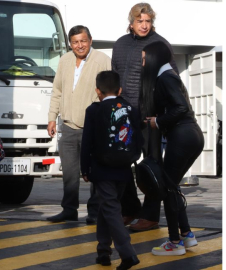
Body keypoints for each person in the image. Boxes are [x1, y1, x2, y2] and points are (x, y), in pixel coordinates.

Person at [111, 2, 178, 231]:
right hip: (124, 114)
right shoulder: (120, 44)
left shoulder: (161, 45)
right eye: (140, 21)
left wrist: (161, 114)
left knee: (152, 166)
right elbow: (114, 77)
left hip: (151, 117)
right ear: (131, 23)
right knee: (120, 162)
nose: (144, 25)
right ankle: (130, 209)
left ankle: (150, 216)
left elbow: (171, 79)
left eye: (148, 21)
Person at [140, 41, 203, 256]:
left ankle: (175, 242)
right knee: (172, 186)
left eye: (143, 58)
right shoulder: (167, 76)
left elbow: (181, 107)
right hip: (190, 135)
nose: (142, 63)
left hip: (182, 136)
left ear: (154, 58)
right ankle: (186, 235)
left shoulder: (166, 77)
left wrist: (158, 121)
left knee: (167, 189)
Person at [47, 25, 110, 224]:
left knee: (94, 172)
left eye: (83, 41)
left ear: (90, 40)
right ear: (70, 44)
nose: (79, 45)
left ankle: (94, 212)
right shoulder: (64, 60)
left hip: (92, 126)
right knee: (69, 173)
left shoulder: (102, 60)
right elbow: (57, 91)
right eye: (75, 42)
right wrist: (51, 117)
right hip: (67, 125)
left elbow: (109, 92)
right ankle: (69, 210)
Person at [81, 71, 140, 270]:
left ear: (97, 90)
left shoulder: (94, 110)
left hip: (101, 169)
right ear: (120, 89)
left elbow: (86, 142)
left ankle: (128, 254)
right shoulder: (131, 108)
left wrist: (84, 168)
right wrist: (133, 158)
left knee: (111, 210)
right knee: (107, 209)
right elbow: (138, 138)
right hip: (124, 169)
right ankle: (103, 252)